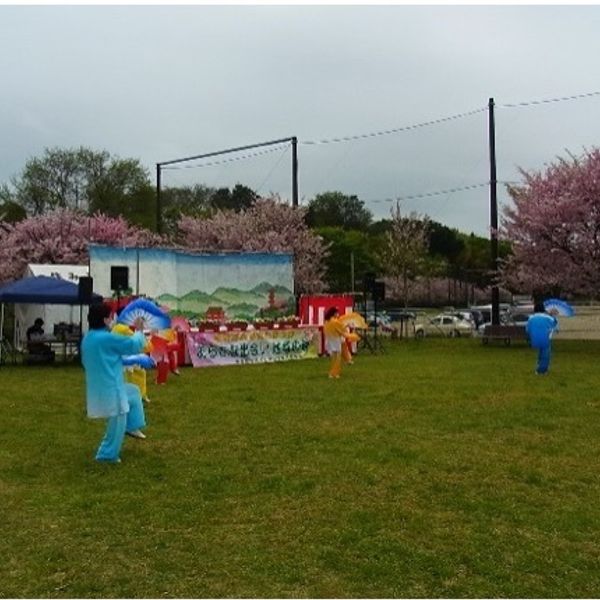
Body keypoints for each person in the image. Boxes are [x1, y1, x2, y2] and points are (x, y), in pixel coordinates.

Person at [81, 303, 148, 464]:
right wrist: (139, 330)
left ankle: (131, 426)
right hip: (110, 387)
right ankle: (106, 454)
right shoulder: (105, 338)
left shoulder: (89, 337)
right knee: (119, 417)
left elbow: (107, 355)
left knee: (133, 392)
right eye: (111, 317)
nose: (113, 319)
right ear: (105, 320)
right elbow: (133, 345)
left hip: (100, 386)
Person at [526, 299, 559, 375]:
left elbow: (527, 329)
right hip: (545, 339)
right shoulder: (548, 318)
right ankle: (542, 370)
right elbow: (555, 325)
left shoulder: (531, 318)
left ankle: (539, 365)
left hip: (534, 339)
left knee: (541, 352)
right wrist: (552, 315)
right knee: (545, 354)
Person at [323, 306, 347, 379]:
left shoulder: (327, 321)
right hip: (336, 340)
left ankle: (332, 373)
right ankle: (335, 373)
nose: (338, 314)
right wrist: (347, 327)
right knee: (338, 357)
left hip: (330, 340)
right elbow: (341, 329)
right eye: (337, 313)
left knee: (333, 356)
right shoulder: (335, 322)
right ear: (334, 314)